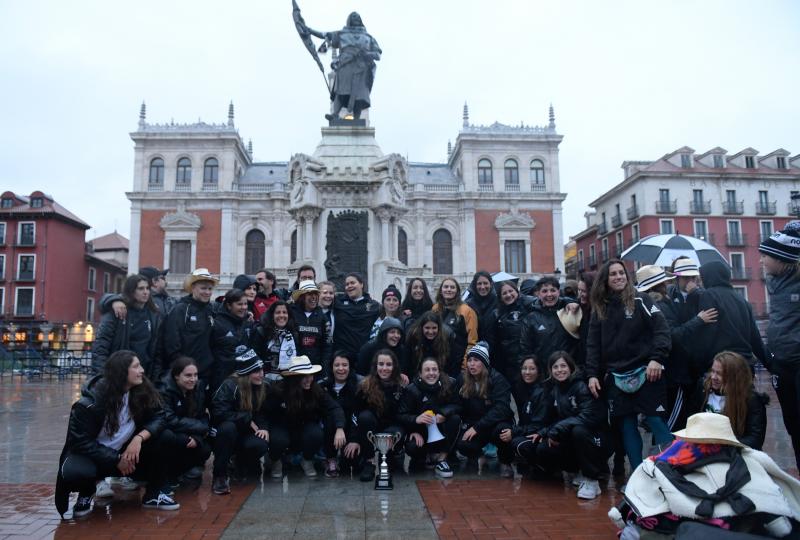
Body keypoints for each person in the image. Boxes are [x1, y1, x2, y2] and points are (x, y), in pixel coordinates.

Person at [55, 350, 179, 518]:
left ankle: (153, 494)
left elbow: (160, 417)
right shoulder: (89, 403)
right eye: (136, 366)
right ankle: (86, 491)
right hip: (95, 459)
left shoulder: (140, 390)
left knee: (166, 437)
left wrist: (139, 438)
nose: (142, 370)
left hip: (126, 457)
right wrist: (116, 459)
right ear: (121, 372)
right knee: (76, 471)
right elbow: (81, 443)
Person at [585, 259, 673, 469]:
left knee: (656, 421)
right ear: (605, 280)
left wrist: (656, 359)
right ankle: (637, 475)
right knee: (626, 425)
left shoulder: (641, 300)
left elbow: (662, 331)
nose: (619, 277)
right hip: (616, 376)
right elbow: (592, 345)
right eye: (613, 274)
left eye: (622, 273)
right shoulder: (599, 309)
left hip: (647, 372)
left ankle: (672, 471)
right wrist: (592, 374)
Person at [635, 265, 718, 430]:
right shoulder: (659, 306)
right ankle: (666, 454)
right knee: (673, 425)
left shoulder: (655, 303)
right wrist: (699, 320)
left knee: (669, 421)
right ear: (661, 285)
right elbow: (673, 335)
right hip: (674, 373)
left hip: (670, 372)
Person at [529, 352, 610, 500]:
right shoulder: (555, 389)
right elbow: (559, 419)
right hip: (573, 435)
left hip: (597, 438)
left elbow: (589, 416)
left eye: (563, 366)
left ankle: (592, 480)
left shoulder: (582, 386)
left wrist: (557, 429)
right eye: (555, 367)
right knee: (543, 448)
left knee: (578, 431)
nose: (559, 370)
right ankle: (575, 470)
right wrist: (544, 432)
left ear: (571, 368)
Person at [760, 221, 800, 471]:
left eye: (766, 255)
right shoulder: (775, 283)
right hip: (782, 364)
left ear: (782, 258)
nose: (762, 261)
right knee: (793, 426)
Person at [265, 355, 345, 479]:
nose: (309, 379)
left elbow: (334, 407)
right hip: (281, 426)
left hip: (304, 425)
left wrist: (340, 428)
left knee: (316, 434)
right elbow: (265, 412)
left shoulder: (315, 389)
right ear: (294, 378)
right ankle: (276, 460)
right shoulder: (278, 391)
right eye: (304, 376)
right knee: (278, 440)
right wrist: (263, 428)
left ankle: (307, 459)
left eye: (311, 375)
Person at [209, 349, 270, 494]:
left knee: (261, 443)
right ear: (246, 373)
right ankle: (219, 475)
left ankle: (241, 463)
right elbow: (218, 413)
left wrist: (263, 427)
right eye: (256, 371)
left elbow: (262, 412)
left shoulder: (262, 386)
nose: (261, 374)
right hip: (224, 432)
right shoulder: (229, 385)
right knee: (228, 428)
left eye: (261, 369)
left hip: (246, 432)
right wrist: (246, 419)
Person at [694, 261, 767, 372]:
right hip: (745, 365)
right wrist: (771, 364)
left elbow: (708, 333)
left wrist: (699, 365)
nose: (701, 281)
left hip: (722, 365)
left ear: (709, 276)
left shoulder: (709, 295)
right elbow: (755, 339)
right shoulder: (742, 300)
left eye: (702, 277)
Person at [308, 12, 382, 121]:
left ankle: (357, 119)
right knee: (341, 91)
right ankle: (335, 114)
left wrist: (369, 54)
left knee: (360, 95)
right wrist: (309, 30)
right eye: (353, 17)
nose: (355, 19)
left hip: (362, 67)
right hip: (345, 66)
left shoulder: (368, 37)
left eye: (357, 17)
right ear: (349, 20)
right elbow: (325, 35)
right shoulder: (341, 34)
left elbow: (378, 54)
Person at [456, 342, 515, 477]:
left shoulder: (498, 379)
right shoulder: (462, 379)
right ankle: (477, 455)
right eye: (469, 360)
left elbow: (502, 409)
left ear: (484, 363)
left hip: (496, 423)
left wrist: (477, 427)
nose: (471, 364)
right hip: (475, 424)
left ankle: (505, 462)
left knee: (503, 432)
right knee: (462, 443)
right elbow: (458, 403)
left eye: (476, 360)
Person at [689, 351, 769, 450]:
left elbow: (755, 439)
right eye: (712, 371)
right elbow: (692, 418)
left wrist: (724, 446)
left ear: (734, 377)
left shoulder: (751, 400)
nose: (713, 377)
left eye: (719, 374)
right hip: (703, 447)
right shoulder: (703, 388)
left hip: (735, 450)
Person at [398, 357, 461, 478]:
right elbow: (401, 415)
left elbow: (458, 405)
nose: (431, 373)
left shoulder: (449, 384)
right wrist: (415, 421)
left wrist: (444, 413)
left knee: (455, 419)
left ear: (439, 372)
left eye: (434, 369)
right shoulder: (411, 390)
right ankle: (424, 456)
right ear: (420, 374)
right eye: (427, 370)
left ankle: (442, 459)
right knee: (412, 447)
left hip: (442, 431)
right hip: (421, 431)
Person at [93, 274, 162, 379]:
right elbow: (101, 346)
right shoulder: (117, 311)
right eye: (141, 288)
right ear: (131, 291)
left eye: (147, 288)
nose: (146, 292)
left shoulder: (154, 314)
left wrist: (155, 377)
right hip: (120, 374)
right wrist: (102, 376)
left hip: (145, 374)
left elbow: (157, 349)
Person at [351, 349, 405, 482]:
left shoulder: (402, 385)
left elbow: (406, 412)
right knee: (365, 417)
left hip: (392, 426)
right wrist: (354, 439)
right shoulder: (365, 385)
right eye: (381, 364)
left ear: (394, 366)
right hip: (371, 426)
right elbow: (355, 413)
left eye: (388, 365)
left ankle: (390, 456)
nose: (384, 368)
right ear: (375, 366)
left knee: (394, 436)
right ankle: (369, 462)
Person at [158, 356, 211, 487]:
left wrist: (197, 435)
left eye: (195, 375)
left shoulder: (199, 387)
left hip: (190, 430)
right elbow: (169, 419)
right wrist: (199, 428)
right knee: (176, 440)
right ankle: (168, 474)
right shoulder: (164, 390)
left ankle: (186, 469)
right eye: (188, 375)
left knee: (205, 447)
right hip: (172, 431)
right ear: (176, 376)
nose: (193, 379)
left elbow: (202, 414)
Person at [163, 268, 219, 386]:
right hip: (185, 374)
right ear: (193, 288)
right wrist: (182, 370)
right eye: (203, 288)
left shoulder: (212, 310)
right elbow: (172, 343)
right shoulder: (180, 309)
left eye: (210, 288)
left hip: (206, 374)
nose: (207, 292)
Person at [519, 276, 580, 372]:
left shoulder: (570, 311)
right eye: (544, 291)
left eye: (553, 290)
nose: (549, 294)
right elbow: (525, 348)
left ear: (559, 292)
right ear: (538, 294)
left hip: (568, 370)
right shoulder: (531, 318)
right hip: (542, 372)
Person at [319, 352, 363, 478]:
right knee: (329, 417)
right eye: (337, 365)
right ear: (331, 367)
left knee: (353, 462)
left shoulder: (359, 385)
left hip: (351, 426)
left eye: (345, 365)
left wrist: (355, 440)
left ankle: (345, 456)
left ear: (350, 367)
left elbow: (358, 413)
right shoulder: (323, 385)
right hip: (329, 428)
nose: (341, 369)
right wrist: (339, 427)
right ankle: (330, 458)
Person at [484, 280, 536, 383]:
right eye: (504, 293)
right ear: (500, 297)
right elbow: (492, 340)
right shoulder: (496, 314)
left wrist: (569, 302)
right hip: (509, 364)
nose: (508, 295)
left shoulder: (529, 305)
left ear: (517, 291)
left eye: (510, 291)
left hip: (531, 360)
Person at [508, 357, 550, 477]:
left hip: (542, 433)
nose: (527, 372)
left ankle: (544, 466)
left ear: (539, 371)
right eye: (524, 368)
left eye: (532, 369)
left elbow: (539, 423)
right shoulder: (521, 388)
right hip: (529, 429)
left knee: (518, 443)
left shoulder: (542, 391)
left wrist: (515, 431)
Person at [210, 289, 255, 392]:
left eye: (245, 304)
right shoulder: (217, 324)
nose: (244, 307)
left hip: (244, 377)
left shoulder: (248, 322)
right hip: (222, 378)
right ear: (229, 305)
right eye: (239, 304)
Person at [432, 277, 478, 377]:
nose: (449, 289)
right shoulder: (435, 309)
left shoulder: (467, 311)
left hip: (458, 364)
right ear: (441, 290)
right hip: (437, 363)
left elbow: (472, 341)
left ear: (457, 291)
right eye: (446, 287)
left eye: (452, 287)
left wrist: (465, 366)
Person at [332, 272, 380, 360]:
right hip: (342, 359)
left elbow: (389, 313)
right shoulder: (337, 303)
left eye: (352, 283)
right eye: (347, 284)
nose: (349, 286)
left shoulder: (374, 305)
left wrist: (404, 313)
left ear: (361, 284)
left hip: (364, 357)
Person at [290, 281, 332, 374]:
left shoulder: (323, 317)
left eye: (315, 294)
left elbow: (327, 346)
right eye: (309, 294)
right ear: (302, 296)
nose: (314, 297)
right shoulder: (291, 313)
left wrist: (324, 369)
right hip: (295, 368)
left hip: (316, 368)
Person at [252, 300, 298, 380]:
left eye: (284, 312)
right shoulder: (261, 332)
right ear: (271, 315)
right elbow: (255, 358)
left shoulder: (294, 334)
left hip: (288, 380)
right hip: (265, 380)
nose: (281, 315)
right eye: (278, 312)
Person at [405, 311, 458, 375]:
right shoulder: (413, 338)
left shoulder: (446, 339)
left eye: (434, 328)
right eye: (427, 328)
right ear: (422, 328)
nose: (430, 332)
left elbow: (451, 363)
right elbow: (408, 362)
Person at [465, 271, 499, 341]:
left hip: (497, 347)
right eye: (479, 284)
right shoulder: (468, 304)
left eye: (485, 283)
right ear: (475, 285)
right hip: (474, 346)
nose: (482, 287)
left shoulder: (499, 302)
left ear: (491, 284)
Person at [318, 280, 337, 345]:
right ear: (318, 294)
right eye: (325, 293)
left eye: (331, 293)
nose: (328, 296)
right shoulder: (312, 312)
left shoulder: (336, 313)